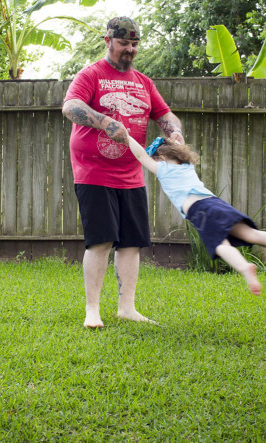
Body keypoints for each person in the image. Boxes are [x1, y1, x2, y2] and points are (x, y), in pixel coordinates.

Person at [62, 16, 184, 328]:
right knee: (101, 240)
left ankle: (127, 307)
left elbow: (164, 114)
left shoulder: (144, 82)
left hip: (132, 173)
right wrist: (104, 121)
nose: (129, 50)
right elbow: (70, 107)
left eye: (134, 44)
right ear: (107, 42)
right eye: (123, 44)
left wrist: (174, 133)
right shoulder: (91, 75)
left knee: (131, 242)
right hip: (94, 172)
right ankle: (93, 309)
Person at [128, 136, 266, 295]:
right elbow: (178, 145)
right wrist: (176, 139)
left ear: (161, 158)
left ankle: (245, 268)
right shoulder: (187, 165)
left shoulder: (163, 169)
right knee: (251, 234)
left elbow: (140, 155)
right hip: (215, 203)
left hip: (200, 210)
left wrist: (127, 136)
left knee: (219, 244)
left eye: (156, 159)